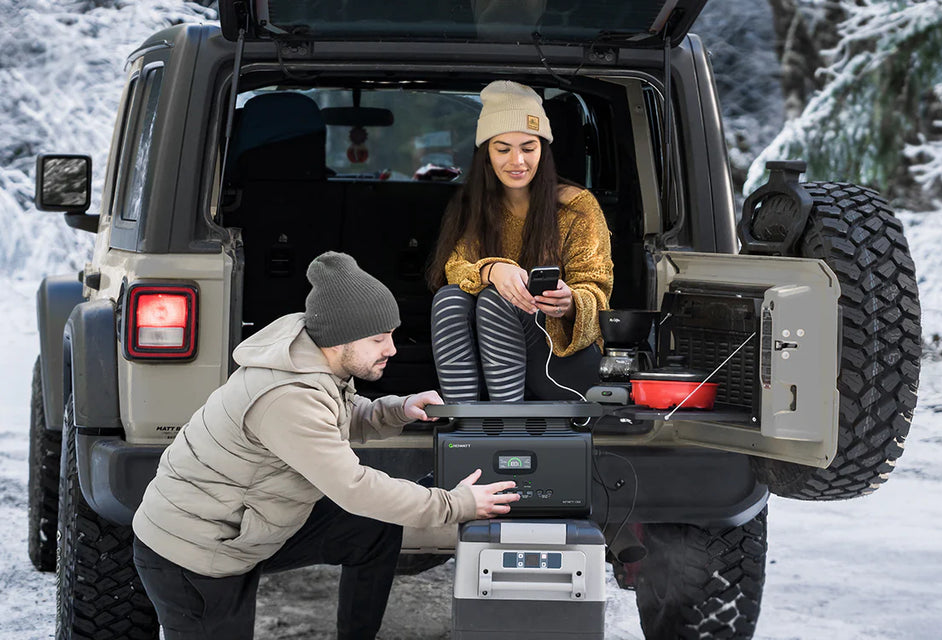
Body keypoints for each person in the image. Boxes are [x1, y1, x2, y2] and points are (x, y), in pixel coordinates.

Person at [132, 252, 519, 640]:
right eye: (379, 339)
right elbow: (354, 488)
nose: (392, 349)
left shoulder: (315, 362)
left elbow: (339, 418)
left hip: (246, 523)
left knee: (375, 528)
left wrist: (399, 410)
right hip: (196, 554)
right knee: (367, 506)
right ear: (341, 339)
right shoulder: (286, 397)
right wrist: (455, 504)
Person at [427, 80, 613, 402]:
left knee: (497, 301)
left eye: (528, 148)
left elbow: (598, 292)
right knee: (449, 299)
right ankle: (464, 422)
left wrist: (570, 302)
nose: (517, 161)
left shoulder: (576, 206)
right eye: (503, 149)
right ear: (486, 153)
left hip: (560, 362)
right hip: (491, 363)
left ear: (543, 149)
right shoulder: (474, 207)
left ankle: (506, 423)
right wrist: (492, 270)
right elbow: (455, 268)